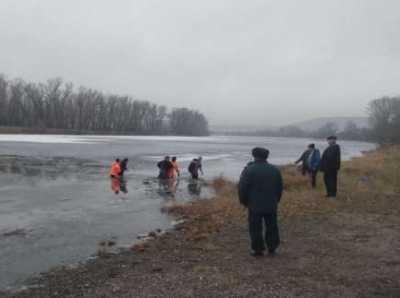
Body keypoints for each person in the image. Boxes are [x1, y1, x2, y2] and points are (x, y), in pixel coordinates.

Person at [239, 147, 283, 257]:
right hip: (271, 203)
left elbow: (242, 188)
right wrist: (276, 200)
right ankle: (272, 248)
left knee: (255, 227)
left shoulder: (249, 169)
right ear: (266, 156)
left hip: (254, 204)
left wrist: (244, 201)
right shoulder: (274, 169)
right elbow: (279, 187)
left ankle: (258, 250)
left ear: (254, 156)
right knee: (272, 226)